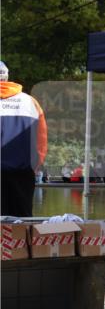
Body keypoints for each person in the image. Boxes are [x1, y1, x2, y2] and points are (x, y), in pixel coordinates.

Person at [0, 61, 48, 217]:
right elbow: (41, 139)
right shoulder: (29, 101)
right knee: (22, 222)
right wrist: (33, 166)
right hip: (22, 172)